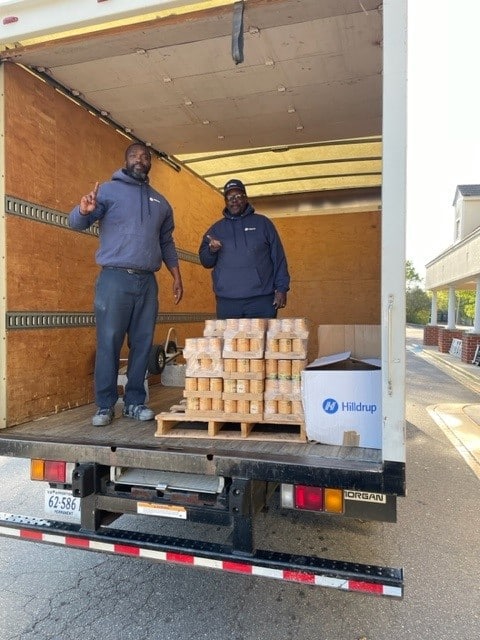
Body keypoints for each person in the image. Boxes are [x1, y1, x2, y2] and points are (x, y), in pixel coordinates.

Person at [69, 142, 183, 427]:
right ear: (125, 161)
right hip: (115, 279)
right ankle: (105, 405)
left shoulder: (162, 203)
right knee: (108, 342)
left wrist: (176, 275)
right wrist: (83, 211)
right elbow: (77, 223)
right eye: (134, 155)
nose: (140, 160)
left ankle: (134, 402)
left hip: (147, 282)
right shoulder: (107, 191)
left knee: (143, 344)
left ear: (150, 164)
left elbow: (166, 242)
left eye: (145, 157)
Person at [199, 178, 290, 319]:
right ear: (225, 201)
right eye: (229, 197)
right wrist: (211, 251)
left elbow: (278, 258)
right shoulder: (216, 229)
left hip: (261, 301)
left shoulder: (263, 224)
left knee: (262, 341)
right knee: (230, 342)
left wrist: (282, 289)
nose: (234, 200)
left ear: (246, 198)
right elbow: (205, 261)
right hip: (227, 303)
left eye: (238, 196)